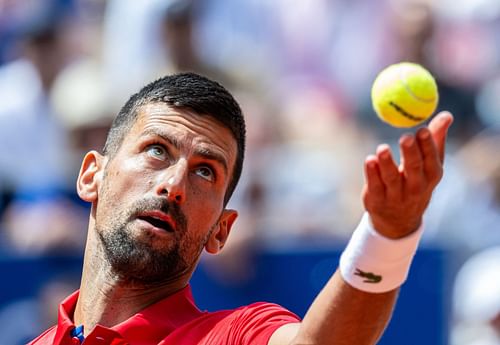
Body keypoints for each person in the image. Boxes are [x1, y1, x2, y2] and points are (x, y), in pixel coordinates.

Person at [28, 72, 453, 345]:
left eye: (205, 172)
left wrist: (388, 234)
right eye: (157, 150)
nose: (174, 185)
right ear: (91, 176)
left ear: (222, 230)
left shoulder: (237, 336)